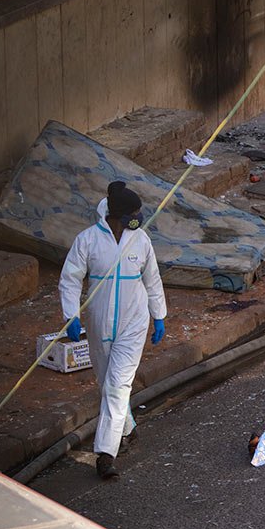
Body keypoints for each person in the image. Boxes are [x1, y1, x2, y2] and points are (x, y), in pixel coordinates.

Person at [59, 180, 168, 480]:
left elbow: (153, 280)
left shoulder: (141, 240)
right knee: (107, 383)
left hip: (134, 323)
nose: (139, 218)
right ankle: (128, 428)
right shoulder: (88, 241)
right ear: (116, 216)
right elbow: (70, 280)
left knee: (118, 385)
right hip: (98, 324)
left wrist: (158, 315)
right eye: (134, 213)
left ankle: (105, 453)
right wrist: (72, 316)